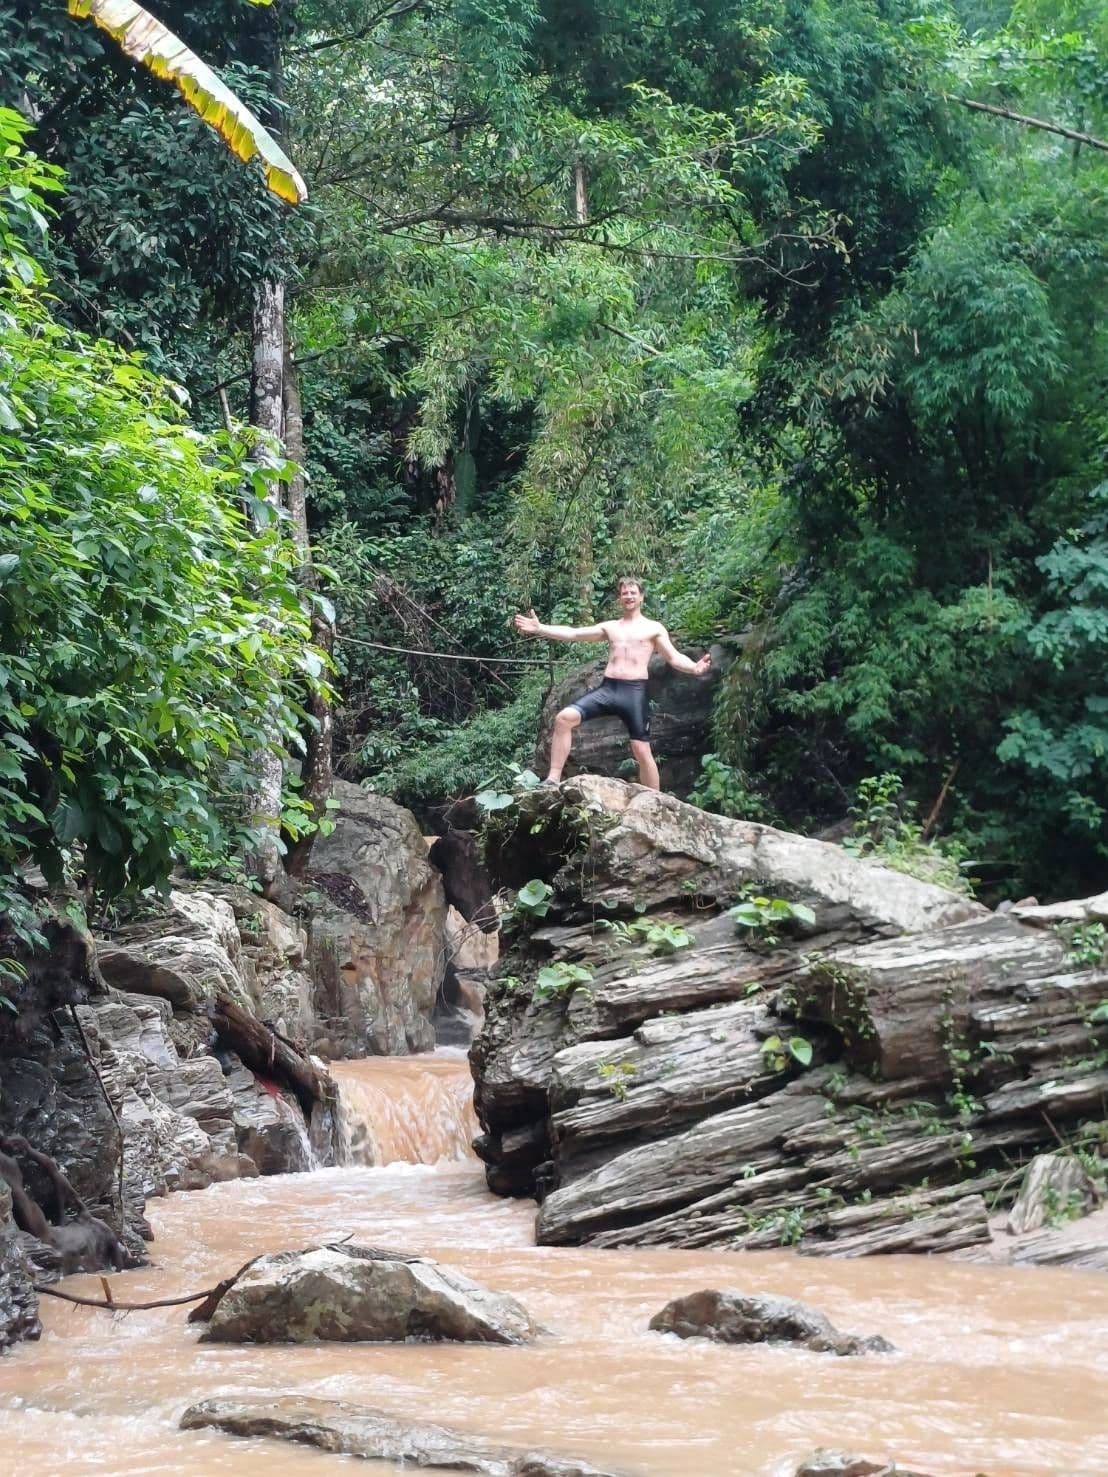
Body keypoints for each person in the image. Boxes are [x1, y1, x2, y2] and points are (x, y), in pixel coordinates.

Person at [512, 577, 711, 790]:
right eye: (625, 593)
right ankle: (552, 778)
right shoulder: (611, 627)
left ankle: (655, 798)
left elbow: (672, 656)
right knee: (563, 719)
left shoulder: (653, 628)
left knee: (641, 748)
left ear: (641, 597)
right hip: (609, 689)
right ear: (620, 598)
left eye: (633, 592)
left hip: (633, 692)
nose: (629, 596)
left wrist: (693, 668)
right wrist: (540, 628)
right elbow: (574, 633)